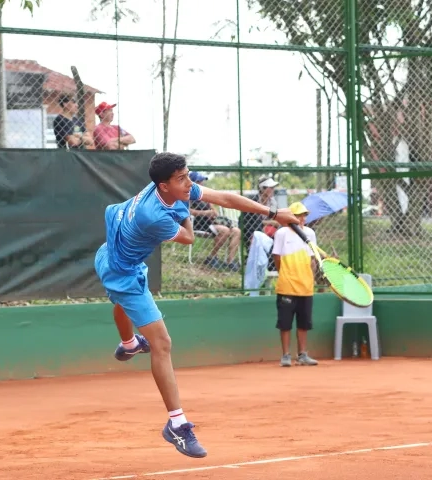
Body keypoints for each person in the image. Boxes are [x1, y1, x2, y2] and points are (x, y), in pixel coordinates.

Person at [94, 152, 299, 458]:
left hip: (109, 252)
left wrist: (272, 211)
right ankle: (176, 425)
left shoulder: (168, 186)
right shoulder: (155, 216)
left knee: (123, 304)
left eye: (188, 175)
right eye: (182, 179)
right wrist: (185, 211)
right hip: (123, 272)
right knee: (162, 343)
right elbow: (189, 238)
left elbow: (226, 198)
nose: (188, 182)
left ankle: (128, 344)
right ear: (163, 186)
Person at [271, 202, 320, 368]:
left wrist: (311, 278)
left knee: (304, 323)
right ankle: (285, 355)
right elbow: (277, 258)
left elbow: (312, 259)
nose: (302, 218)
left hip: (306, 287)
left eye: (304, 215)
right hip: (287, 286)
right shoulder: (282, 233)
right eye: (298, 215)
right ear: (290, 217)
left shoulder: (310, 234)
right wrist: (284, 274)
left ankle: (303, 355)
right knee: (285, 323)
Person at [188, 171, 242, 271]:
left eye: (202, 181)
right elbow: (187, 210)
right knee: (224, 230)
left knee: (237, 231)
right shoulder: (189, 195)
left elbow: (214, 210)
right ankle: (211, 257)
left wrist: (213, 213)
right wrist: (205, 213)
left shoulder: (205, 194)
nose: (202, 183)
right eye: (199, 181)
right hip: (199, 223)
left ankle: (230, 261)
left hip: (212, 222)